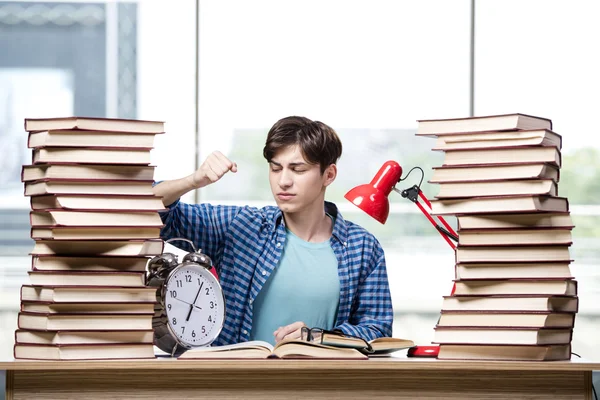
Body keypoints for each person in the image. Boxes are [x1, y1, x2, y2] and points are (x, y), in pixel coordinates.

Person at [152, 116, 393, 346]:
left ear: (328, 175)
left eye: (297, 169)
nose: (283, 181)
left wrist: (318, 337)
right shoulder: (240, 226)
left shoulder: (362, 247)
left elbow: (378, 330)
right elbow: (149, 209)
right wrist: (194, 180)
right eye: (276, 168)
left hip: (321, 383)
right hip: (237, 382)